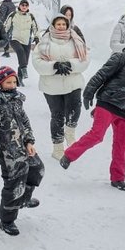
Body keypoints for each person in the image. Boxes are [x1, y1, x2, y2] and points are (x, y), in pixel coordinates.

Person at [59, 33, 125, 192]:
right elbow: (101, 75)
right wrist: (89, 92)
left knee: (123, 145)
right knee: (97, 135)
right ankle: (69, 155)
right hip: (108, 103)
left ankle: (118, 178)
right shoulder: (120, 58)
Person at [0, 66, 44, 236]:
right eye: (8, 82)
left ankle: (24, 199)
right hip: (8, 152)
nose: (13, 85)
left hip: (22, 146)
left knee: (37, 169)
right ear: (0, 83)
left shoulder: (16, 100)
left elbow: (25, 121)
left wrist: (29, 141)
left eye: (14, 81)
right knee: (14, 183)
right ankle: (7, 220)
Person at [32, 14, 90, 160]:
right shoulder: (44, 42)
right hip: (52, 86)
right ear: (53, 25)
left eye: (64, 24)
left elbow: (85, 60)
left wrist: (70, 64)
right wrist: (55, 66)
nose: (61, 27)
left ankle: (70, 131)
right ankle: (57, 148)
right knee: (57, 116)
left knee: (75, 108)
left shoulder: (76, 40)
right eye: (58, 24)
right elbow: (37, 62)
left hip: (73, 82)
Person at [3, 0, 40, 86]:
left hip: (26, 41)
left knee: (24, 60)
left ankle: (19, 78)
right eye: (22, 5)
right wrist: (3, 34)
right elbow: (6, 25)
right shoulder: (13, 14)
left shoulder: (31, 16)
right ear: (19, 6)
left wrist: (37, 37)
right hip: (14, 38)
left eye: (26, 5)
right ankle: (24, 68)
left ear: (28, 7)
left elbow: (36, 27)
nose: (24, 7)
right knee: (20, 51)